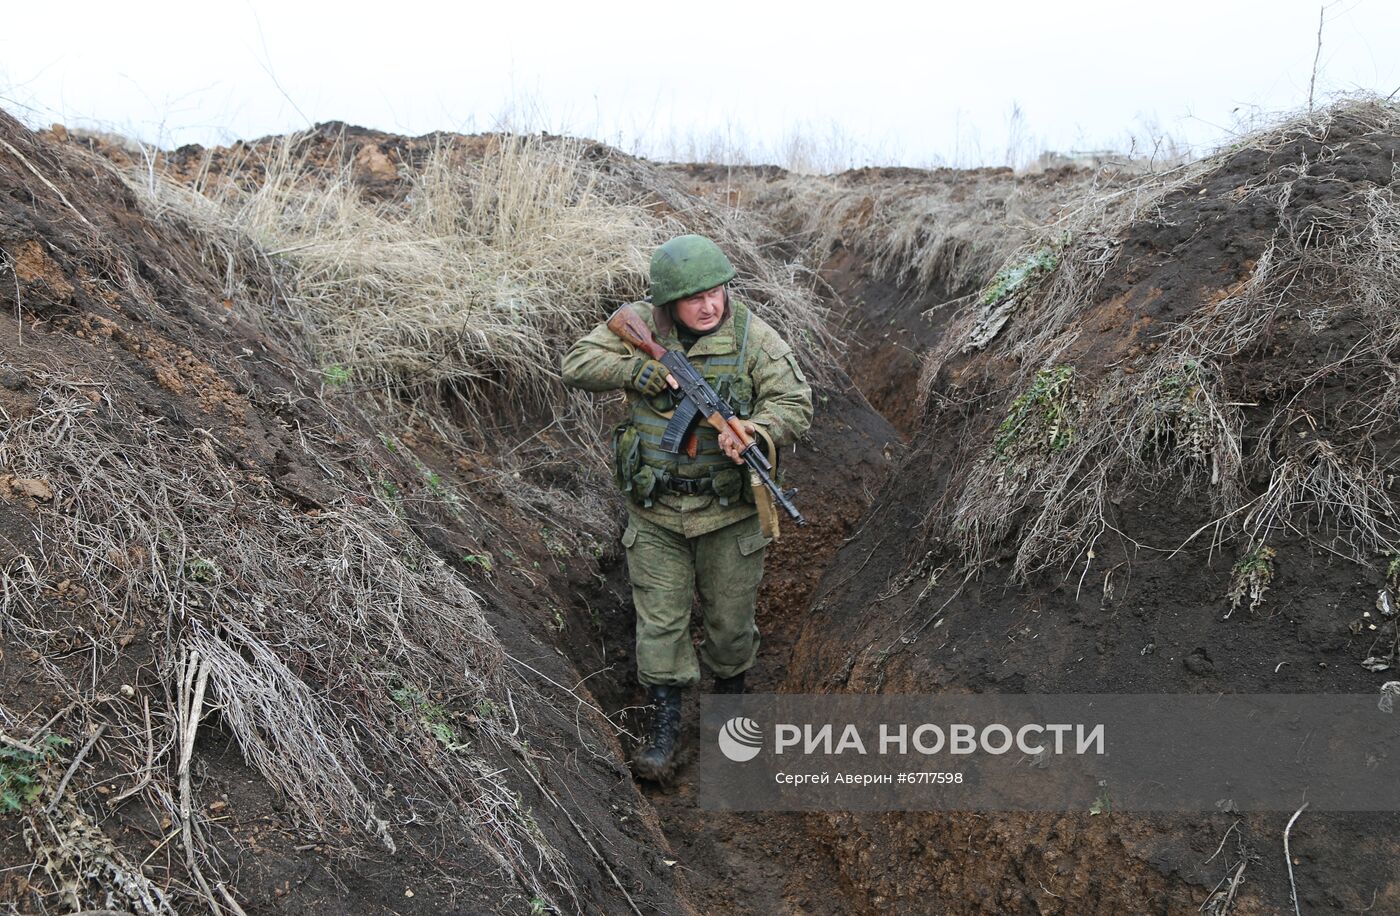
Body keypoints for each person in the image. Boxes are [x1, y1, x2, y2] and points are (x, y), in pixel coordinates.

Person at [561, 234, 813, 781]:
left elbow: (795, 403)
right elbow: (576, 364)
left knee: (730, 627)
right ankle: (663, 734)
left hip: (729, 517)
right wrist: (636, 371)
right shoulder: (639, 328)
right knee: (661, 627)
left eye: (717, 292)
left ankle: (732, 731)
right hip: (655, 517)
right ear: (668, 303)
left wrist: (756, 430)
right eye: (694, 297)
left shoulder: (754, 339)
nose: (710, 305)